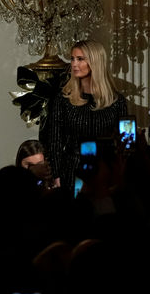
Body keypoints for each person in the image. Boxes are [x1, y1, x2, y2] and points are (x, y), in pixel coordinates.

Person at [41, 40, 127, 191]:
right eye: (72, 59)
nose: (74, 64)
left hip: (107, 173)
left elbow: (125, 144)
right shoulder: (63, 99)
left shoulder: (116, 101)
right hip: (72, 172)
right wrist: (57, 174)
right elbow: (54, 142)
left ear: (95, 62)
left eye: (80, 59)